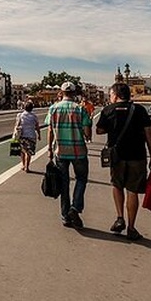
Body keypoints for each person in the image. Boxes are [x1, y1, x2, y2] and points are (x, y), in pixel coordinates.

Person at [96, 82, 151, 241]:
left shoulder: (108, 110)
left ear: (116, 95)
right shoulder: (139, 110)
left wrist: (113, 127)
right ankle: (131, 228)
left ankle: (120, 218)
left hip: (117, 156)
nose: (110, 97)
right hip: (137, 156)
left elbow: (99, 130)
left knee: (117, 185)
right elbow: (149, 134)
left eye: (111, 94)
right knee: (133, 191)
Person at [46, 82, 93, 229]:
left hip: (61, 151)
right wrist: (86, 132)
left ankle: (65, 216)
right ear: (74, 94)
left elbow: (50, 130)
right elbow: (87, 133)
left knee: (64, 183)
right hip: (79, 152)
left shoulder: (53, 108)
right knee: (81, 179)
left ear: (61, 93)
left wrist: (49, 148)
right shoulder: (80, 109)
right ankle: (75, 208)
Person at [14, 100, 41, 172]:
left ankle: (23, 165)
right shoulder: (34, 116)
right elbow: (37, 127)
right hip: (31, 136)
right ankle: (27, 167)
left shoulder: (20, 115)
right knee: (28, 152)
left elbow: (17, 126)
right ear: (32, 108)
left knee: (22, 151)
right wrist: (39, 135)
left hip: (22, 136)